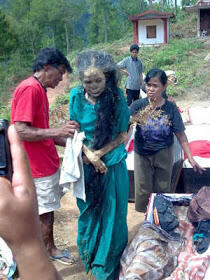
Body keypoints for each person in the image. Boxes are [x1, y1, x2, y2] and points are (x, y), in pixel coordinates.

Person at [11, 47, 79, 265]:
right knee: (43, 214)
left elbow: (41, 132)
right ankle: (40, 261)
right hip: (36, 168)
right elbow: (20, 130)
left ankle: (49, 248)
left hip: (44, 164)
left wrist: (71, 142)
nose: (60, 79)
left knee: (47, 211)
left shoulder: (38, 91)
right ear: (46, 67)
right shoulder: (30, 89)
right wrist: (58, 132)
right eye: (59, 73)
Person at [69, 50, 130, 279]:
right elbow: (75, 132)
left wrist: (100, 154)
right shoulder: (76, 97)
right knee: (89, 214)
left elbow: (123, 135)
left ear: (107, 77)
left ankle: (109, 266)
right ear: (81, 81)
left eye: (98, 80)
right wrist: (89, 155)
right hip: (86, 165)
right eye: (88, 81)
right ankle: (91, 258)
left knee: (113, 216)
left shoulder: (116, 98)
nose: (93, 86)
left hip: (112, 164)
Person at [129, 68, 205, 212]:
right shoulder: (137, 106)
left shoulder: (170, 108)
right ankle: (147, 219)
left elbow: (181, 135)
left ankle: (160, 217)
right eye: (148, 85)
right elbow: (123, 126)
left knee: (163, 188)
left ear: (164, 87)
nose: (151, 89)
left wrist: (190, 157)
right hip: (142, 155)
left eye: (155, 85)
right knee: (143, 189)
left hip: (164, 153)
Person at [0, 125, 63, 280]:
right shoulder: (29, 98)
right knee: (45, 218)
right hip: (38, 170)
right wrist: (27, 245)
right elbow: (21, 129)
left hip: (41, 168)